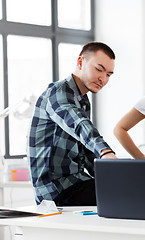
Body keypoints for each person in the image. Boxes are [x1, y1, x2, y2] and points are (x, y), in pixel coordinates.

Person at [27, 42, 118, 206]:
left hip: (75, 183)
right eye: (99, 69)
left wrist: (113, 174)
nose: (103, 79)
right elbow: (78, 124)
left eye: (109, 75)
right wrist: (105, 152)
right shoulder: (57, 92)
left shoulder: (82, 101)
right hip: (55, 190)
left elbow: (87, 152)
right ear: (80, 62)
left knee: (124, 189)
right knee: (121, 196)